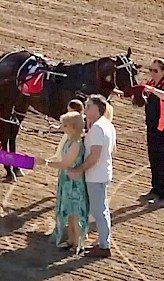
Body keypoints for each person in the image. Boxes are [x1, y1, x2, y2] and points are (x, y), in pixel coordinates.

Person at [67, 94, 116, 258]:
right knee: (102, 208)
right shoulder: (107, 125)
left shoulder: (97, 129)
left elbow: (94, 155)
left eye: (88, 107)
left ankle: (104, 246)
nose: (85, 110)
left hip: (95, 175)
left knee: (98, 209)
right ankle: (104, 241)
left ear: (97, 109)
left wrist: (78, 170)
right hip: (104, 172)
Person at [35, 111, 89, 255]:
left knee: (75, 212)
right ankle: (71, 240)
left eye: (65, 125)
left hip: (73, 182)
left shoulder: (76, 144)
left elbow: (66, 163)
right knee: (70, 212)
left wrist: (46, 163)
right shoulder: (70, 140)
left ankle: (78, 242)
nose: (62, 128)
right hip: (66, 179)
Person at [137, 58, 164, 208]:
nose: (152, 73)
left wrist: (152, 90)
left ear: (163, 71)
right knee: (153, 159)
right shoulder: (152, 84)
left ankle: (163, 195)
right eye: (150, 70)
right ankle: (155, 190)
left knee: (162, 162)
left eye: (155, 71)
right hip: (152, 126)